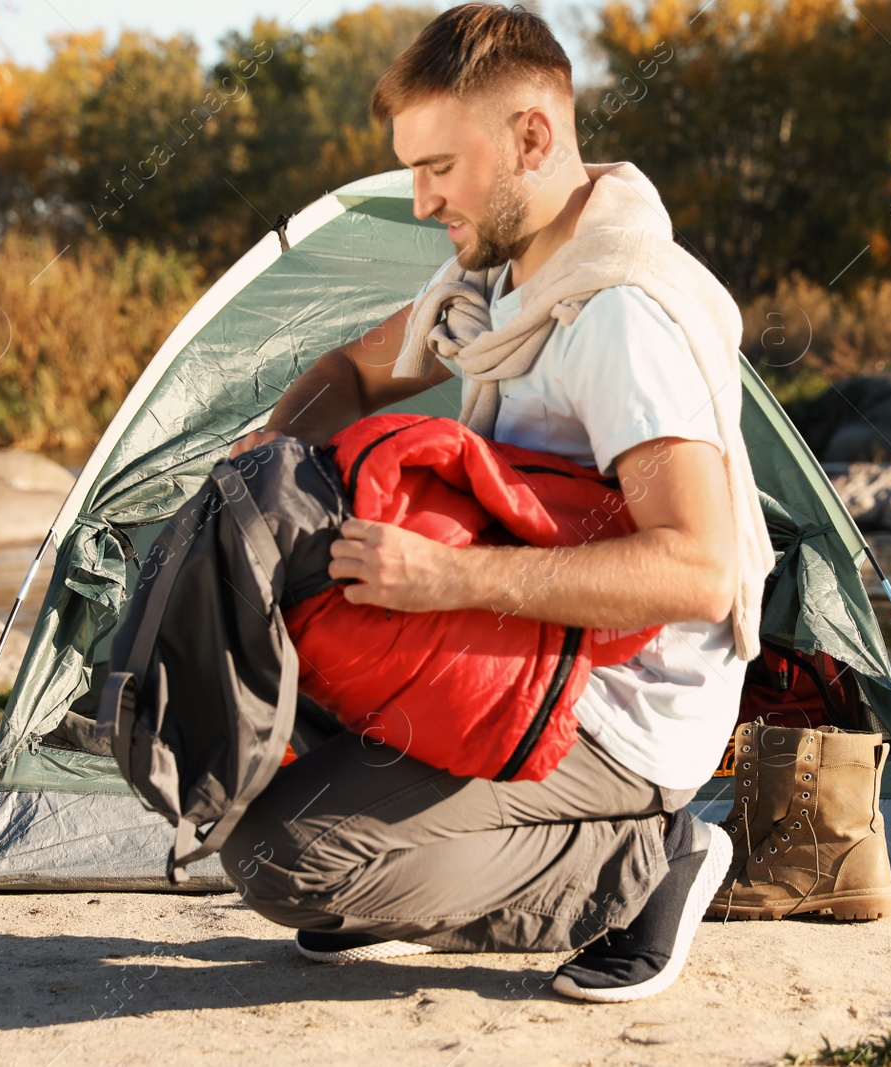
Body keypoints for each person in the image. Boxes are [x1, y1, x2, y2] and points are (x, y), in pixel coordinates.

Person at [220, 2, 773, 1003]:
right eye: (413, 170)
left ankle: (647, 866)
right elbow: (349, 371)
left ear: (531, 136)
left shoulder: (618, 316)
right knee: (250, 628)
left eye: (439, 166)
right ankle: (417, 878)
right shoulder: (499, 284)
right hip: (510, 641)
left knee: (282, 859)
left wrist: (444, 576)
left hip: (618, 706)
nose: (424, 200)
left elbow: (701, 569)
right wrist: (277, 452)